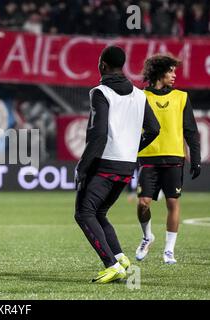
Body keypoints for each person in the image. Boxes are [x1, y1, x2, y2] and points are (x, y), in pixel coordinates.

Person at [74, 46, 160, 283]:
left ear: (102, 65)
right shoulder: (139, 95)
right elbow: (154, 129)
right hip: (126, 166)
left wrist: (82, 167)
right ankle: (120, 257)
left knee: (84, 213)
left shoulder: (100, 92)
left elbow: (98, 134)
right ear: (122, 66)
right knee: (100, 212)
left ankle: (111, 265)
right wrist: (132, 149)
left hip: (104, 164)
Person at [135, 55, 201, 264]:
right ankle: (147, 237)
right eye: (171, 71)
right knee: (143, 203)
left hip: (174, 157)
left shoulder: (181, 97)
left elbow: (191, 130)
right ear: (159, 73)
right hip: (147, 157)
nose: (174, 75)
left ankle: (169, 250)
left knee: (173, 202)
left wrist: (196, 157)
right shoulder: (140, 96)